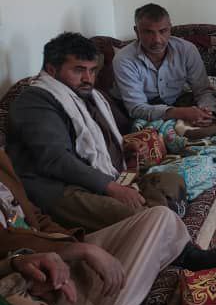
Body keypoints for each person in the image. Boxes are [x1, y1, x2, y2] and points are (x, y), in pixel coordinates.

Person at [0, 149, 216, 305]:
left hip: (60, 251)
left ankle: (183, 256)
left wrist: (76, 246)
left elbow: (37, 219)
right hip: (29, 275)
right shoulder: (34, 108)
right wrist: (68, 253)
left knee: (160, 217)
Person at [6, 33, 189, 232]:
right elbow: (55, 160)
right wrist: (110, 188)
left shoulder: (91, 97)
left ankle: (155, 223)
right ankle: (160, 229)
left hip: (105, 177)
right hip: (61, 189)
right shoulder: (35, 101)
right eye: (79, 70)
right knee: (139, 218)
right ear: (52, 70)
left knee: (173, 181)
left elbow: (101, 142)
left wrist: (125, 148)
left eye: (92, 70)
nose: (88, 79)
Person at [112, 3, 216, 128]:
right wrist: (182, 113)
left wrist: (207, 113)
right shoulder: (124, 59)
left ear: (170, 28)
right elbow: (136, 108)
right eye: (148, 32)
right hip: (135, 114)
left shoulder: (187, 50)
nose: (157, 40)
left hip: (176, 107)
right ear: (137, 31)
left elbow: (203, 90)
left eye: (163, 31)